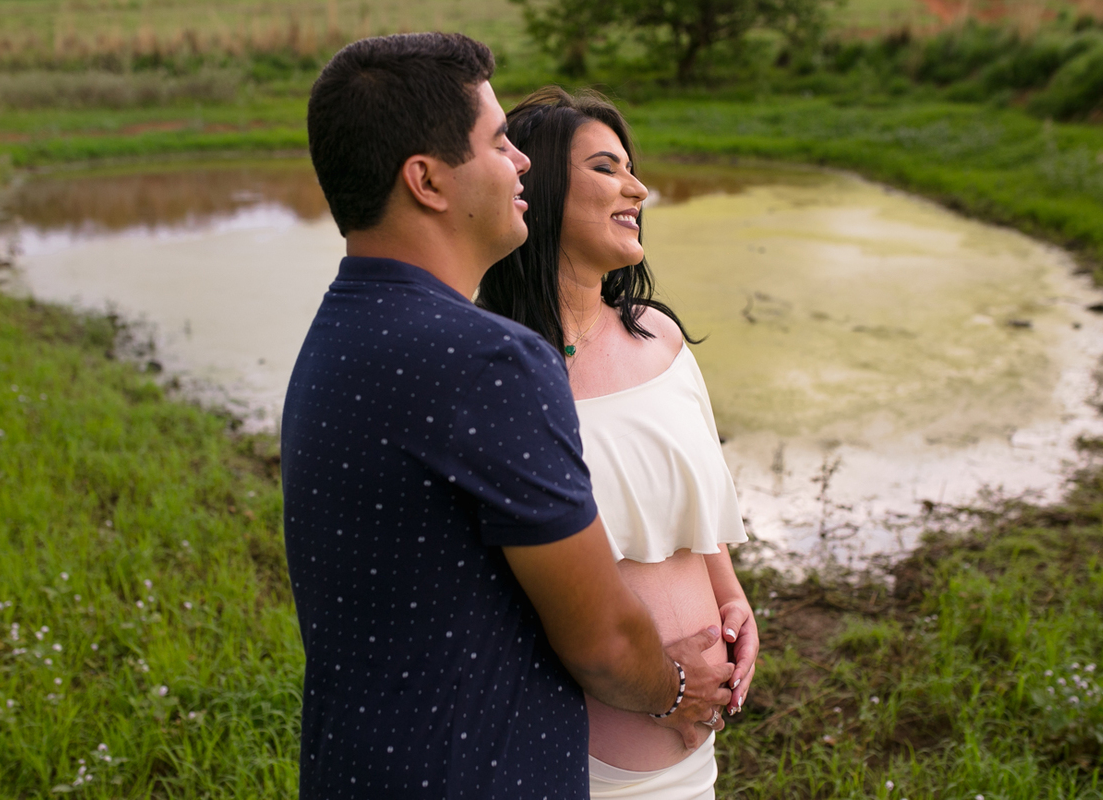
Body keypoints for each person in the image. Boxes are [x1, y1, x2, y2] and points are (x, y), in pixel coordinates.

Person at [281, 34, 736, 800]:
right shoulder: (490, 361)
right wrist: (679, 688)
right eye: (499, 142)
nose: (521, 159)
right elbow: (598, 640)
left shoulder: (339, 333)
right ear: (426, 181)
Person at [478, 86, 759, 799]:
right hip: (579, 767)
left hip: (695, 757)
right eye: (607, 168)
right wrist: (666, 691)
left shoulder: (658, 336)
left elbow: (694, 517)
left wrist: (731, 602)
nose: (638, 187)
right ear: (532, 188)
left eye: (632, 167)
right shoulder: (503, 370)